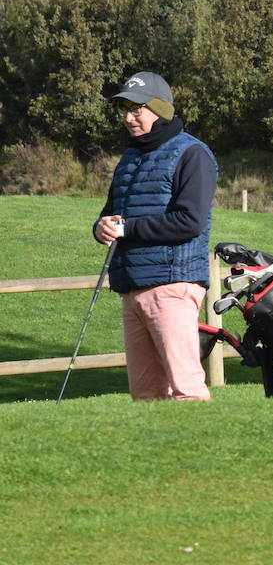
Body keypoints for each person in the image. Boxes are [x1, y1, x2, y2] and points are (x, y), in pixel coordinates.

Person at [93, 71, 218, 401]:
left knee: (185, 389)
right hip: (132, 287)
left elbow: (189, 222)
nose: (128, 117)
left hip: (172, 285)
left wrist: (128, 228)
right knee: (145, 395)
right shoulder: (130, 158)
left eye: (136, 109)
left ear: (160, 109)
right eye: (125, 110)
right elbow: (110, 213)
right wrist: (101, 227)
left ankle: (198, 451)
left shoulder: (193, 154)